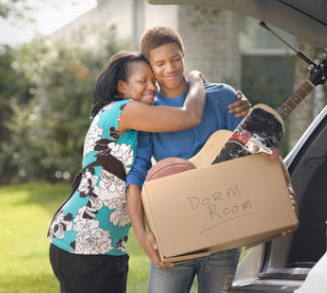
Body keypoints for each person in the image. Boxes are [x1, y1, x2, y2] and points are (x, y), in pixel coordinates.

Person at [47, 50, 210, 293]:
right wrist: (196, 78)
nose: (152, 87)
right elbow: (190, 115)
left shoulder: (136, 122)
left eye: (153, 81)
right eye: (143, 81)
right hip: (84, 244)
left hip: (103, 245)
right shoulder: (124, 110)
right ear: (122, 86)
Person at [125, 25, 251, 293]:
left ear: (184, 54)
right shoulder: (148, 111)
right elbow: (137, 170)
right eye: (159, 63)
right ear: (149, 65)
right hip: (174, 227)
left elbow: (248, 153)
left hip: (224, 226)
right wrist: (141, 232)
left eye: (175, 59)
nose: (169, 68)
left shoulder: (224, 96)